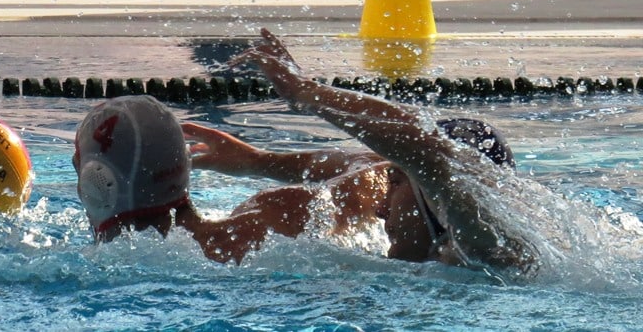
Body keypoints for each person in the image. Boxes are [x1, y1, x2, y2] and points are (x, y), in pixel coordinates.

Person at [228, 28, 538, 273]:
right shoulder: (458, 248)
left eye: (395, 182)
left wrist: (306, 93)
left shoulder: (488, 249)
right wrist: (256, 161)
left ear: (436, 189)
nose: (380, 209)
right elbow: (361, 160)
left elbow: (422, 146)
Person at [73, 95, 391, 265]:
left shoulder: (87, 269)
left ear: (94, 183)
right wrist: (260, 160)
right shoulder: (266, 223)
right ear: (183, 164)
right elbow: (383, 169)